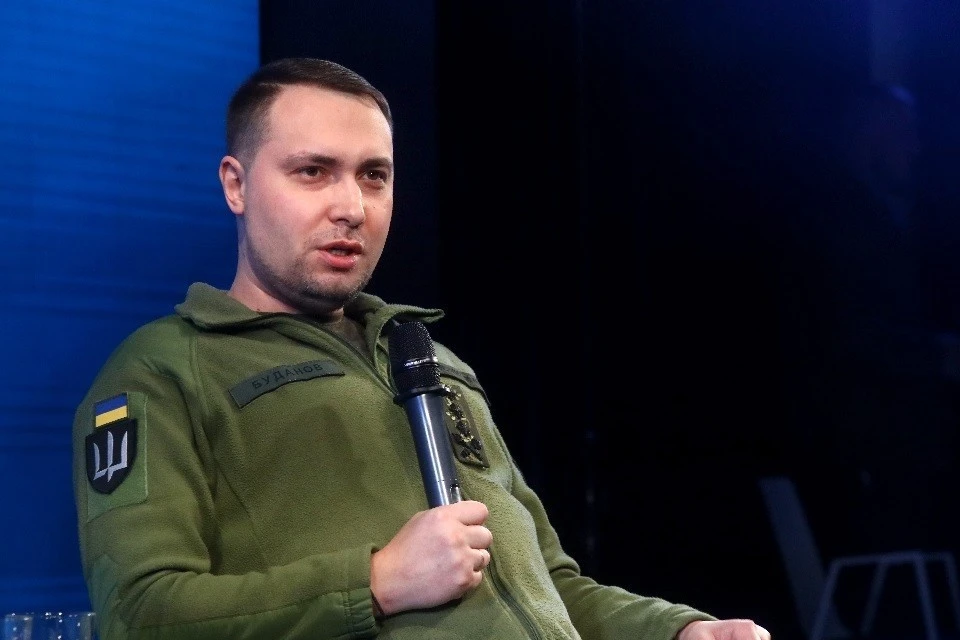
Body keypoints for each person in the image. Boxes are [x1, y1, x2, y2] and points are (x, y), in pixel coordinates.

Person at [72, 57, 771, 640]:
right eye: (313, 171)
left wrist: (674, 630)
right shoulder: (166, 369)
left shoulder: (432, 360)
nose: (352, 206)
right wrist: (375, 581)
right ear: (236, 184)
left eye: (373, 175)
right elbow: (140, 613)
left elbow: (548, 584)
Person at [776, 82, 960, 564]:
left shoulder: (885, 218)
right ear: (868, 136)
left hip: (889, 441)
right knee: (888, 572)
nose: (916, 147)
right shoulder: (836, 223)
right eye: (903, 133)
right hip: (863, 442)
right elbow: (843, 330)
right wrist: (937, 355)